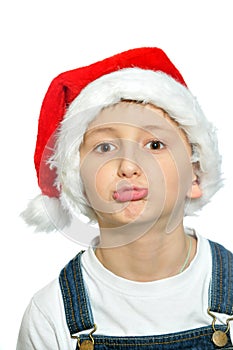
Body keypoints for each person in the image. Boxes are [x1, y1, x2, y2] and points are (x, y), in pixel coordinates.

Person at [17, 47, 233, 349]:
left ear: (195, 175)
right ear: (77, 180)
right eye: (104, 148)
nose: (129, 166)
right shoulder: (51, 315)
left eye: (155, 144)